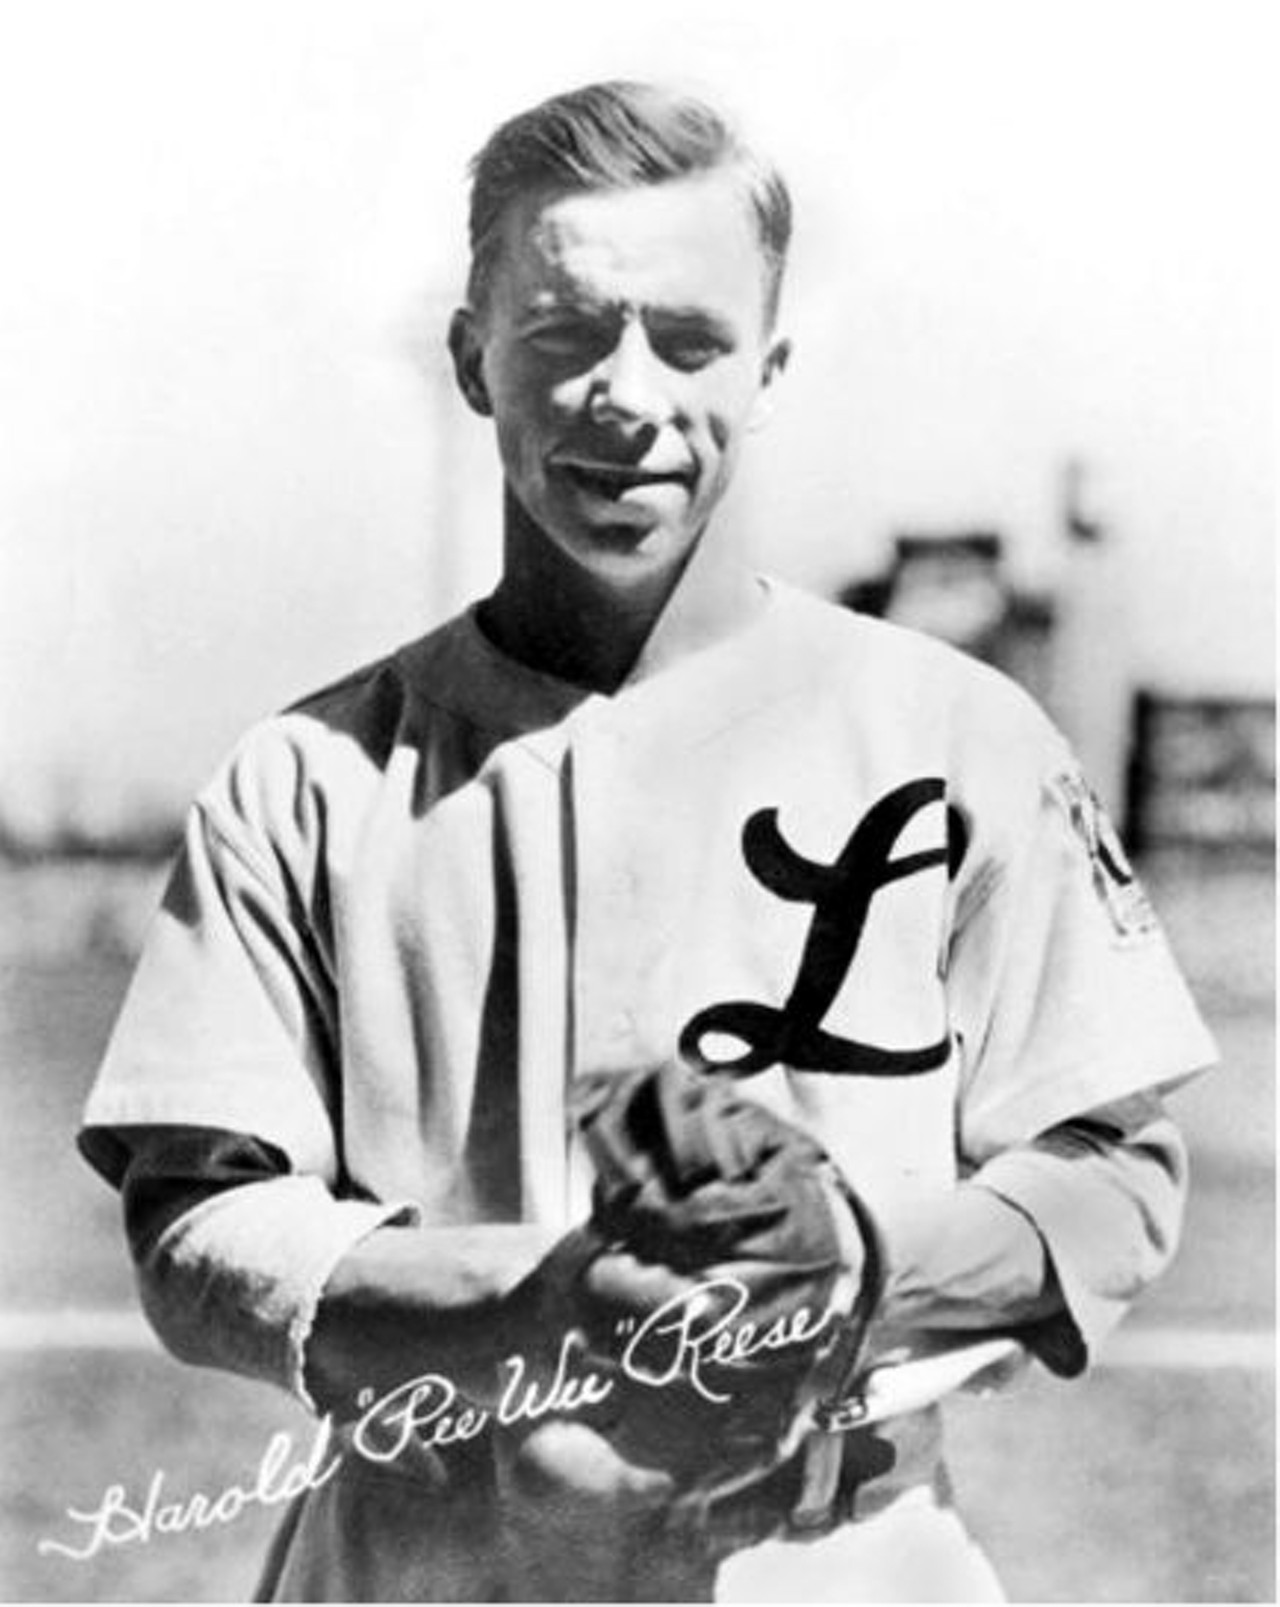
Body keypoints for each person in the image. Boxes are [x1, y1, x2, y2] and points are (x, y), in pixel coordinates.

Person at [79, 80, 1216, 1603]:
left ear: (767, 369)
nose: (628, 393)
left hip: (833, 1555)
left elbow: (1115, 1173)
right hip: (423, 1556)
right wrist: (529, 1305)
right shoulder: (310, 775)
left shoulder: (959, 735)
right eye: (562, 334)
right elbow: (202, 1225)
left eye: (689, 340)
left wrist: (849, 1269)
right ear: (472, 359)